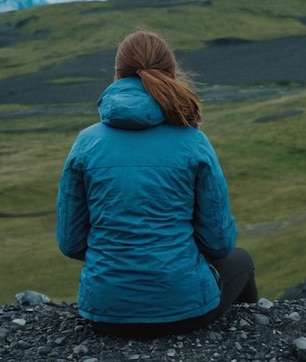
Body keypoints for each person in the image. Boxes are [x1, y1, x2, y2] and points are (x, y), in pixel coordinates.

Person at [56, 29, 258, 338]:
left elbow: (71, 243)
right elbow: (218, 243)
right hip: (184, 311)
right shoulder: (193, 142)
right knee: (241, 261)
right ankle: (254, 341)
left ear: (116, 75)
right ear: (172, 74)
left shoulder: (86, 143)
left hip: (105, 313)